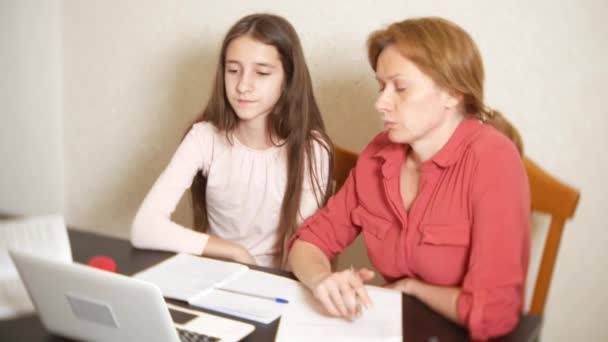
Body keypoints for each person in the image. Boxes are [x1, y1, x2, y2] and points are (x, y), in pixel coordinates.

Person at [288, 17, 530, 340]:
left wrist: (415, 289)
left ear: (452, 93)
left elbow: (494, 312)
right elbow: (308, 242)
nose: (380, 102)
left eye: (400, 88)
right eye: (381, 86)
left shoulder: (493, 160)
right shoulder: (378, 155)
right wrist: (322, 279)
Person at [131, 13, 333, 269]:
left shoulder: (312, 150)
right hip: (217, 273)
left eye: (261, 72)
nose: (242, 85)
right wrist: (234, 252)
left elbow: (301, 248)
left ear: (288, 80)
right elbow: (144, 227)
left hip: (277, 283)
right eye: (233, 70)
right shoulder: (204, 137)